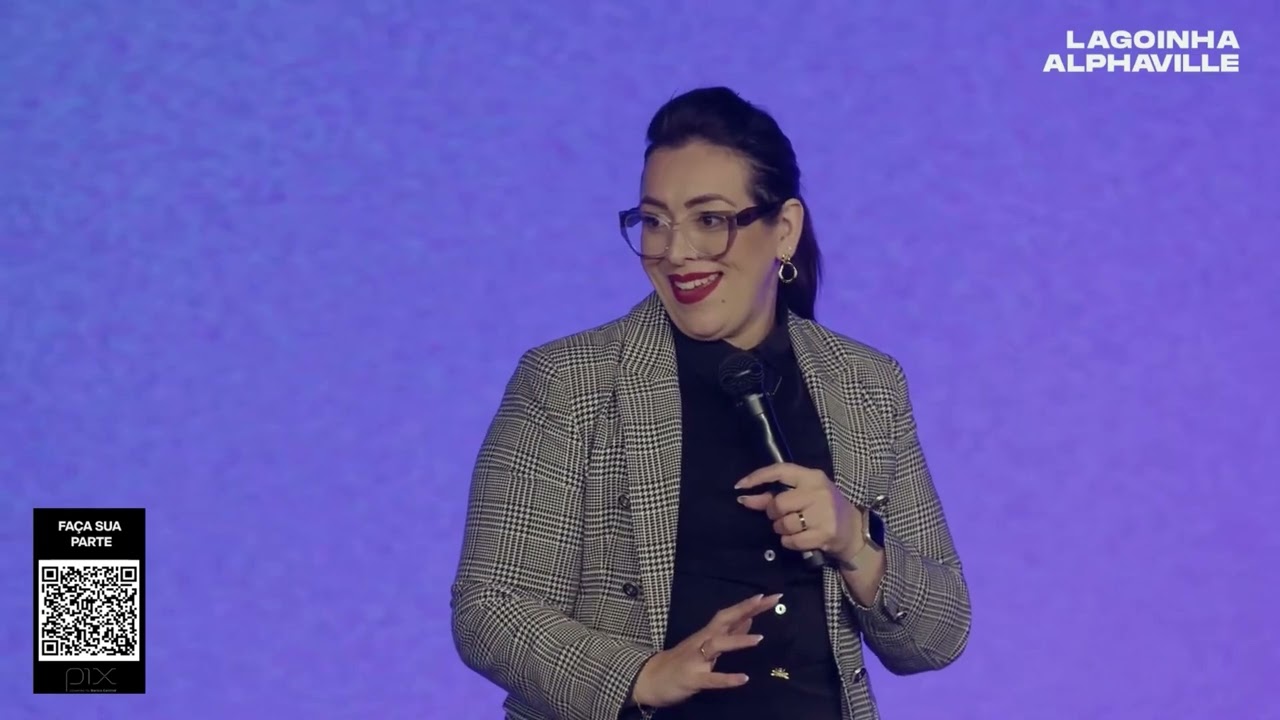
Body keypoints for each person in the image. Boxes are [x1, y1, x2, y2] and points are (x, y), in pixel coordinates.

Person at [451, 86, 970, 720]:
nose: (675, 252)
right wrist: (641, 675)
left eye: (710, 220)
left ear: (784, 230)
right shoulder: (571, 380)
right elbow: (491, 606)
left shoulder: (865, 383)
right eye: (654, 222)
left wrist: (854, 541)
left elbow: (938, 636)